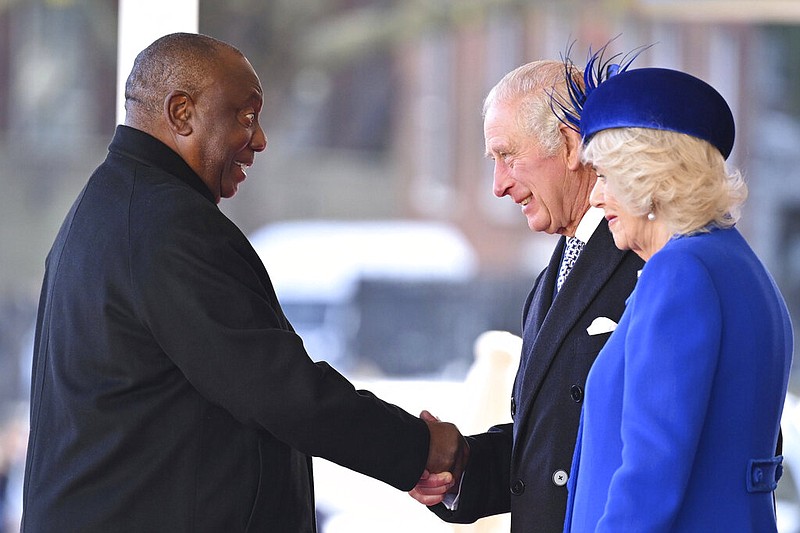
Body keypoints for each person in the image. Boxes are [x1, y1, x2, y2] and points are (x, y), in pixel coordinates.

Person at [21, 32, 467, 532]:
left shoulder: (110, 208)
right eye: (246, 116)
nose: (259, 140)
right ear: (182, 113)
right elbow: (282, 391)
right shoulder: (166, 226)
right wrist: (425, 449)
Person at [559, 54, 793, 532]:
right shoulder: (735, 264)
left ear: (650, 180)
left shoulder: (681, 273)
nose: (595, 197)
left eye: (604, 176)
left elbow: (650, 476)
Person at [409, 59, 645, 531]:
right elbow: (548, 443)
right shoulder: (552, 276)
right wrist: (454, 466)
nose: (498, 186)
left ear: (570, 144)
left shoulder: (649, 258)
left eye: (508, 156)